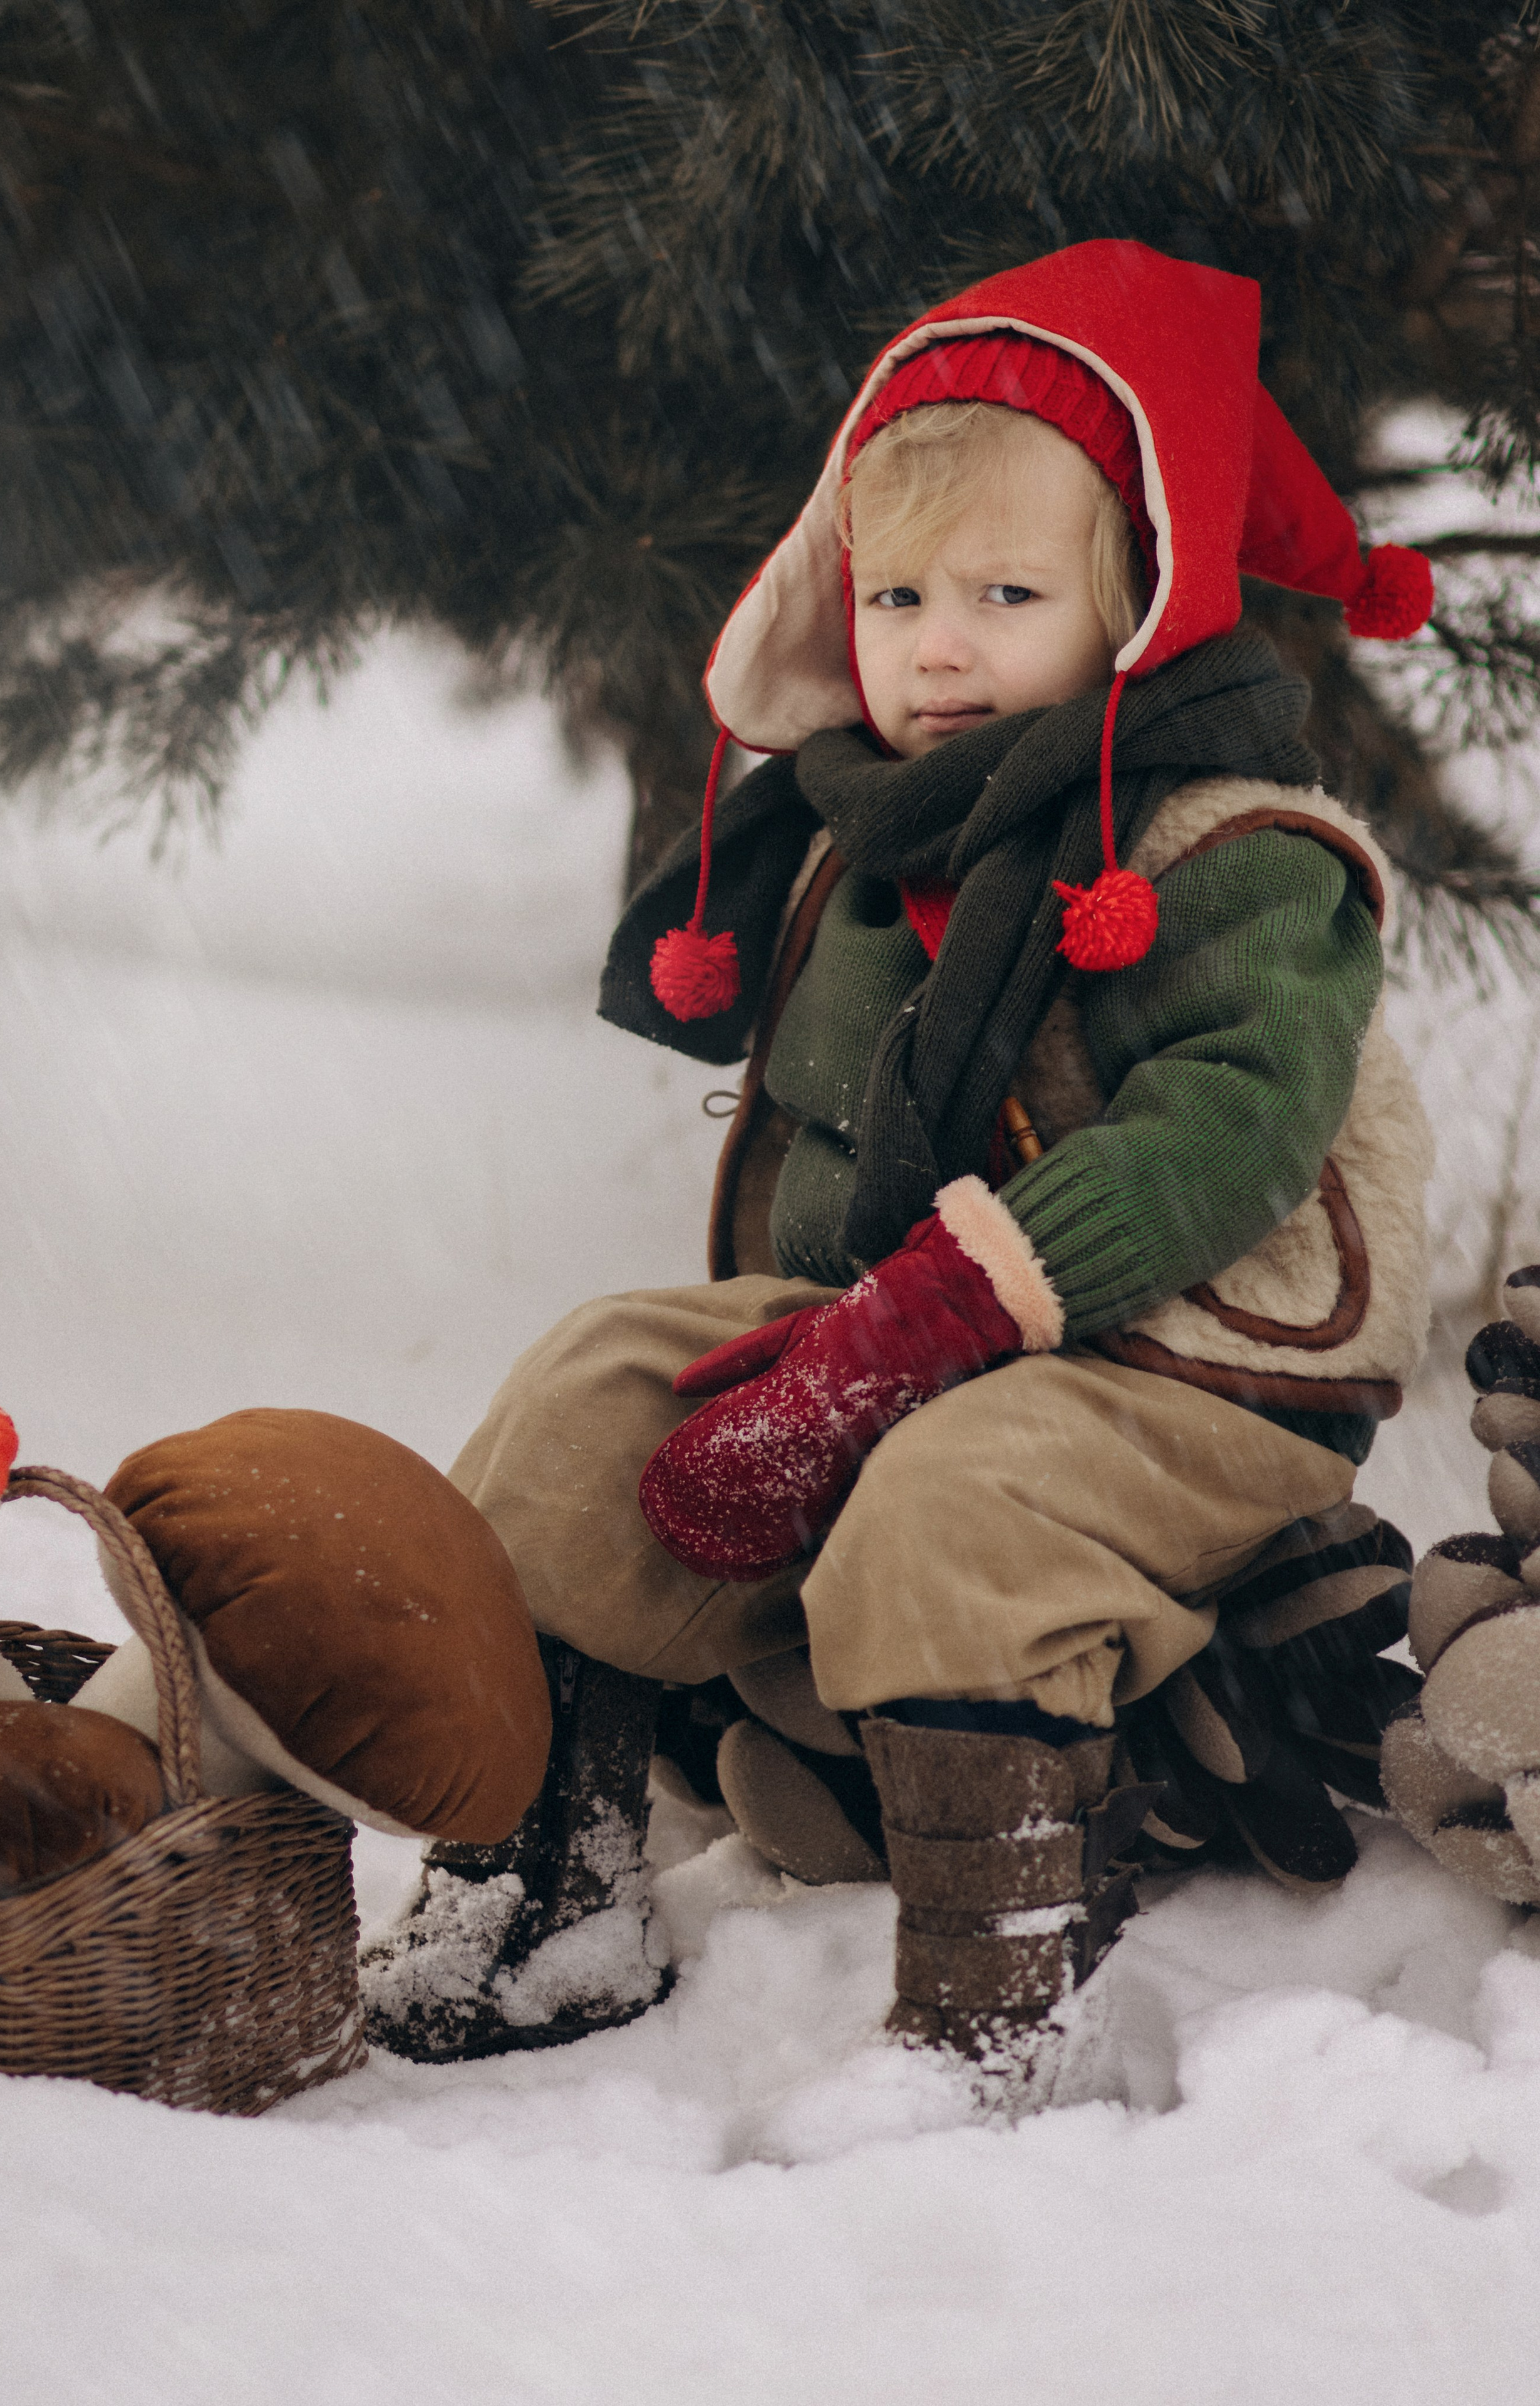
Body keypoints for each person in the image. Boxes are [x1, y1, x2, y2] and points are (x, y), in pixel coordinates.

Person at [361, 239, 1435, 2103]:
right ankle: (550, 1880)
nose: (938, 644)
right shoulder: (877, 835)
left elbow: (1229, 1131)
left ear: (1139, 602)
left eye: (1009, 592)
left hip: (1189, 1349)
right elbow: (829, 1141)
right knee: (596, 1388)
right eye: (901, 591)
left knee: (958, 1502)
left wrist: (928, 1322)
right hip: (906, 1320)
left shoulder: (1235, 844)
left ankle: (989, 2011)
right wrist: (814, 1338)